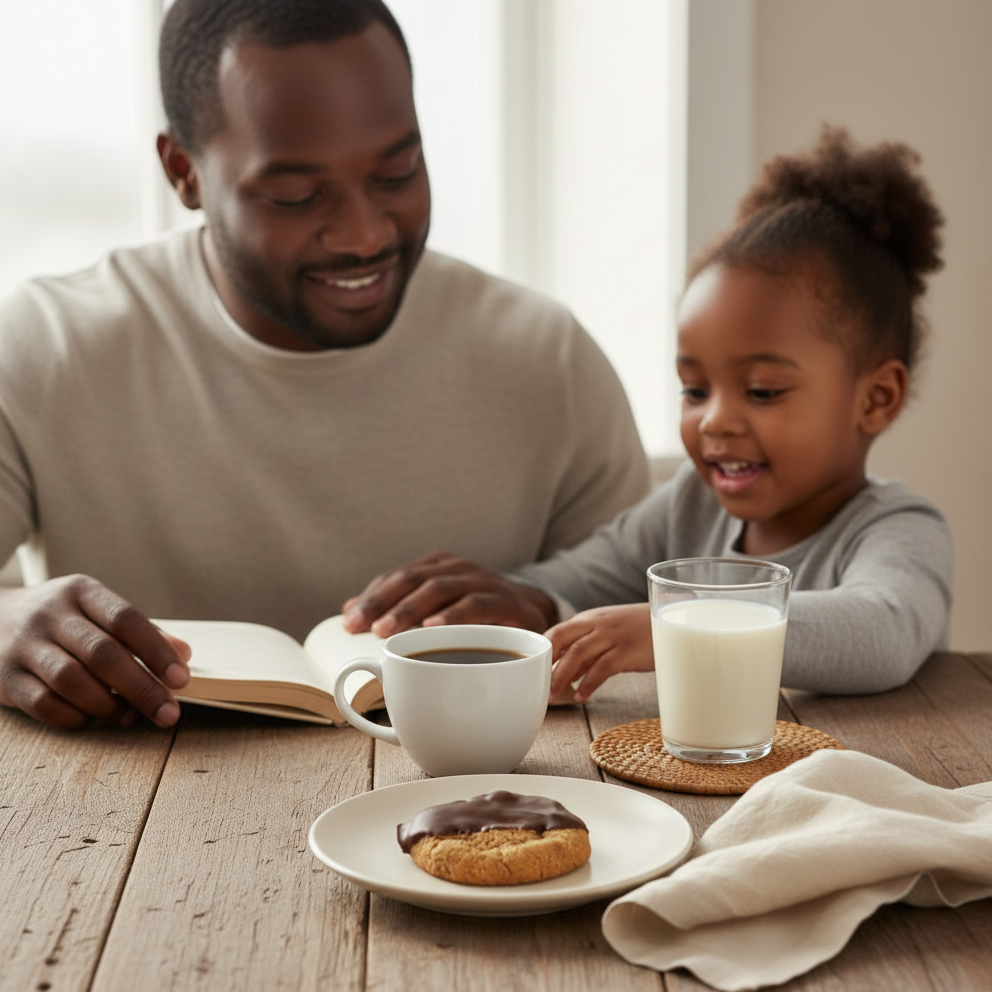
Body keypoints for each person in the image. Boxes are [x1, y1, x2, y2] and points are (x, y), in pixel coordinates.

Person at [0, 0, 648, 730]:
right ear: (184, 173)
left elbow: (657, 610)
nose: (364, 235)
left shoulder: (546, 357)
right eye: (296, 195)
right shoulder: (44, 348)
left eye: (397, 172)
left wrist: (543, 602)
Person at [348, 127, 953, 700]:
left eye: (763, 391)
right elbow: (575, 580)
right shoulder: (692, 505)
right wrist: (521, 601)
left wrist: (673, 627)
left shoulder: (900, 529)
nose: (715, 420)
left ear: (875, 399)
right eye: (694, 389)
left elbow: (883, 631)